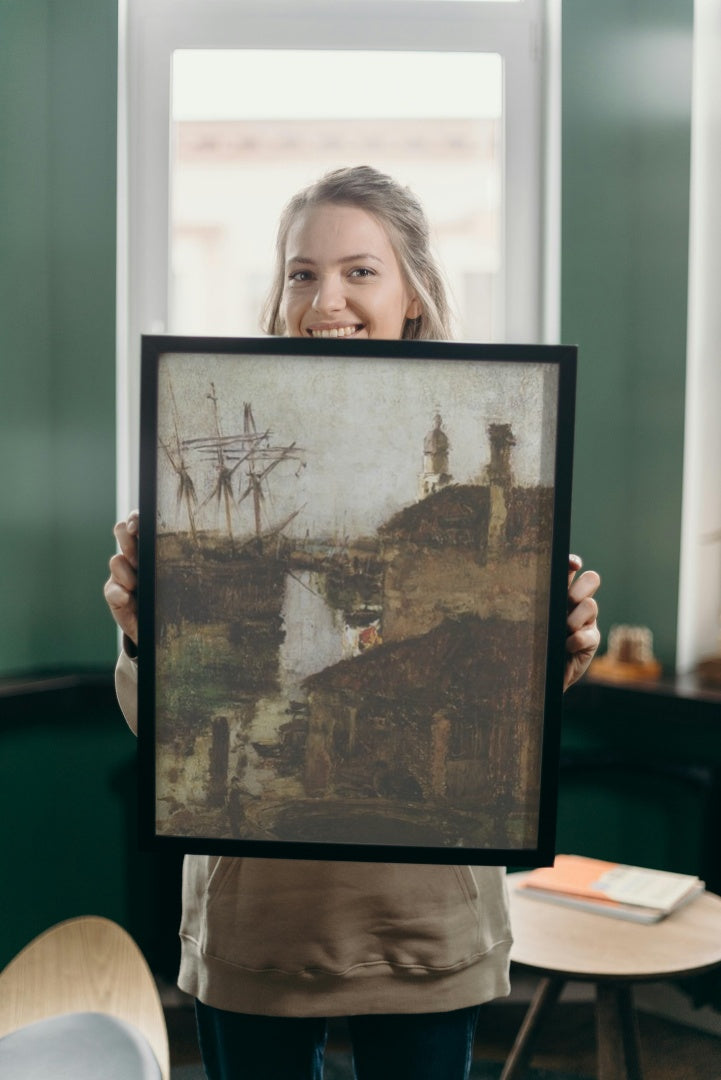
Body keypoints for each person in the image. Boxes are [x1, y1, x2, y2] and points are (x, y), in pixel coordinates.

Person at [105, 166, 601, 1080]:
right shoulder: (193, 470)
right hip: (256, 919)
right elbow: (165, 730)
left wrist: (558, 651)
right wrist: (144, 637)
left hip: (425, 918)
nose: (324, 297)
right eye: (301, 272)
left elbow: (502, 712)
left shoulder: (508, 455)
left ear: (413, 292)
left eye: (359, 271)